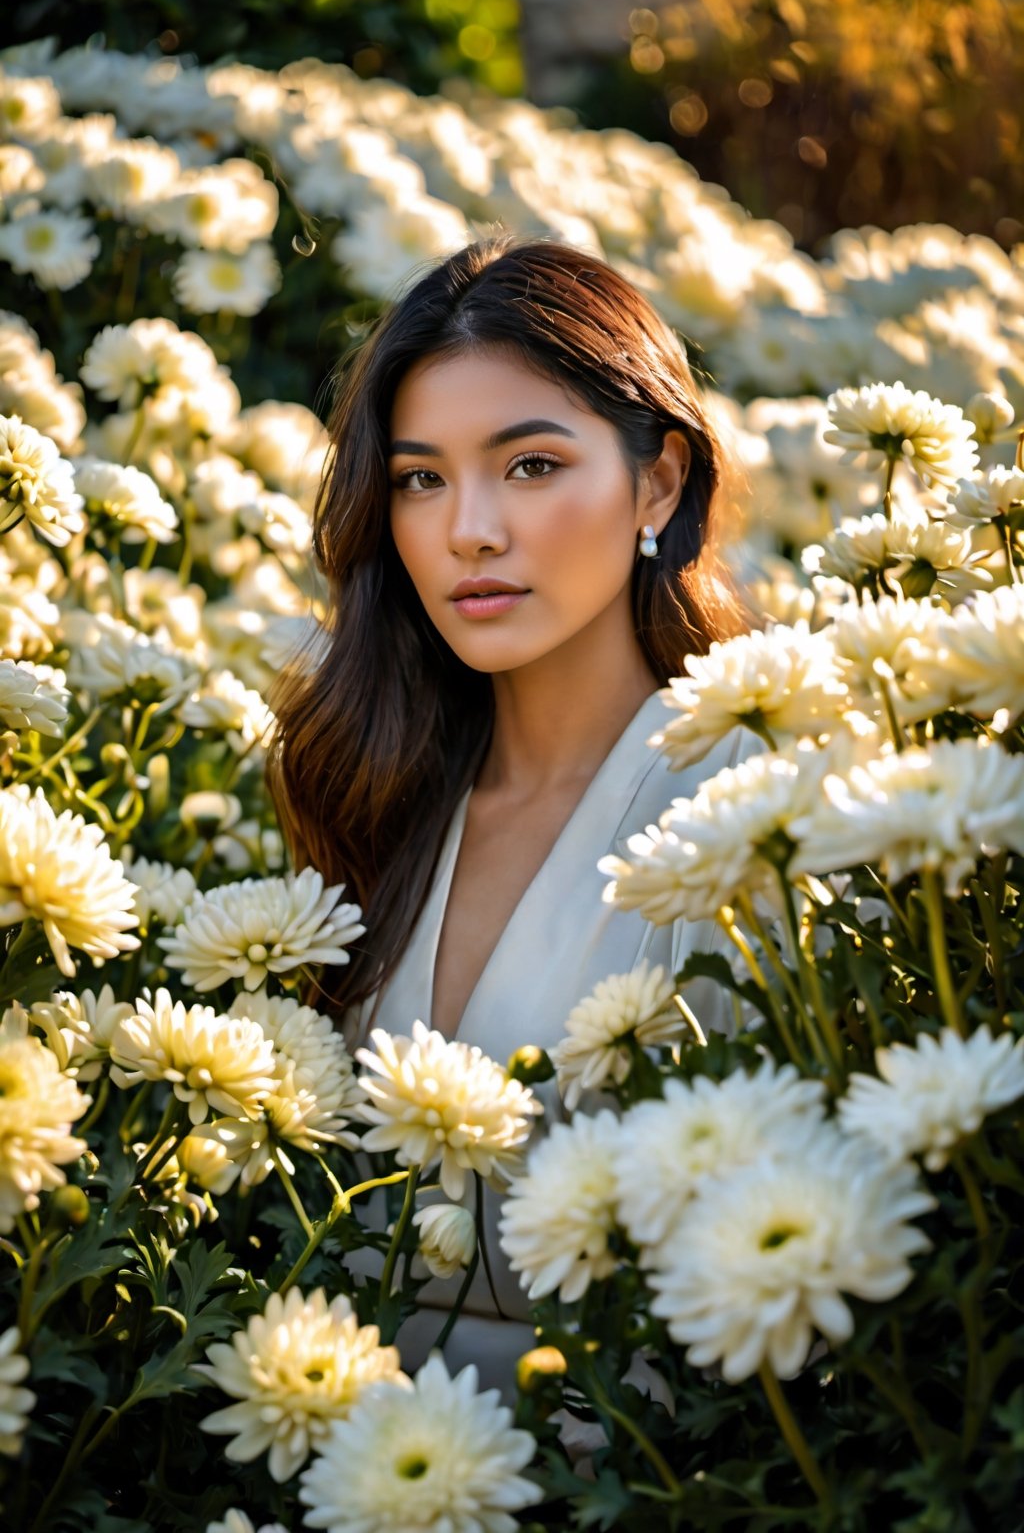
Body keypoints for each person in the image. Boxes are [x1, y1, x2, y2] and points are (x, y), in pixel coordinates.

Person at [267, 235, 749, 1391]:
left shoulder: (747, 813)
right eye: (420, 477)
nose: (467, 529)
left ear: (660, 480)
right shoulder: (378, 785)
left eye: (528, 466)